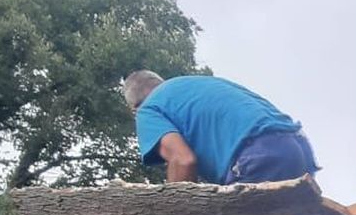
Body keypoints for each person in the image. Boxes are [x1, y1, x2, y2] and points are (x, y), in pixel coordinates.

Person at [123, 71, 318, 186]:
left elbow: (183, 160)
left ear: (134, 109)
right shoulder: (192, 84)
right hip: (297, 150)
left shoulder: (148, 109)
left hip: (256, 158)